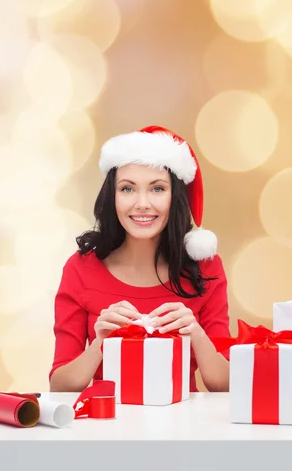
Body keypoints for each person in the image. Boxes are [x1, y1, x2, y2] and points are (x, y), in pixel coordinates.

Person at [49, 125, 231, 393]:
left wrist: (196, 333)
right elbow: (59, 387)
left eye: (157, 189)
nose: (142, 203)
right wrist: (101, 342)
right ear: (112, 197)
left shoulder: (205, 267)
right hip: (105, 425)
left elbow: (226, 386)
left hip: (183, 426)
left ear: (175, 197)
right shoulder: (81, 268)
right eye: (127, 189)